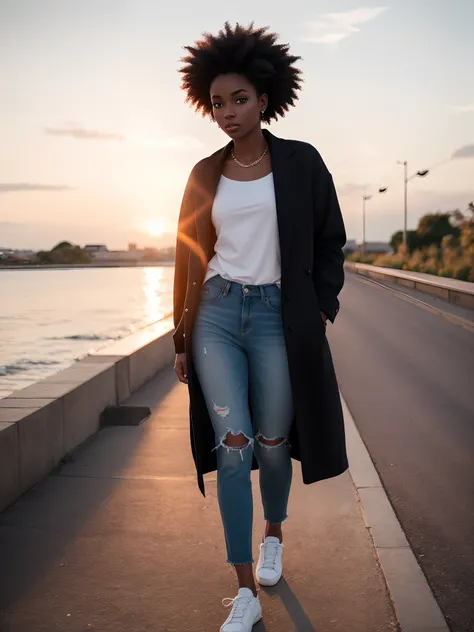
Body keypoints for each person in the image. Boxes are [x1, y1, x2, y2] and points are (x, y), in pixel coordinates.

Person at [173, 22, 348, 632]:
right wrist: (180, 336)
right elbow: (188, 257)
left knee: (274, 442)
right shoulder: (203, 172)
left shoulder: (301, 162)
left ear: (265, 99)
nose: (227, 112)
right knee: (233, 447)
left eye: (239, 99)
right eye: (217, 103)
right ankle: (243, 587)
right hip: (217, 315)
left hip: (278, 316)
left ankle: (273, 532)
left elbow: (331, 240)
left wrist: (320, 306)